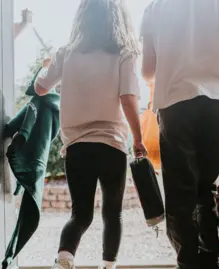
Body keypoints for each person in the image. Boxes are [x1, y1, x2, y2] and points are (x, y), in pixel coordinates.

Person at [140, 0, 219, 268]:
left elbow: (147, 70)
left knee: (180, 194)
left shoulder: (154, 8)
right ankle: (210, 259)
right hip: (218, 103)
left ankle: (188, 262)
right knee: (205, 188)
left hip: (175, 104)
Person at [34, 0, 147, 268]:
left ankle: (64, 257)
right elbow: (129, 99)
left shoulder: (67, 53)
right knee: (112, 214)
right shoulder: (125, 53)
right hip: (112, 145)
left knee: (80, 216)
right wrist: (139, 139)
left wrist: (46, 65)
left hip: (78, 147)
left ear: (82, 18)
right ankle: (108, 266)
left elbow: (40, 87)